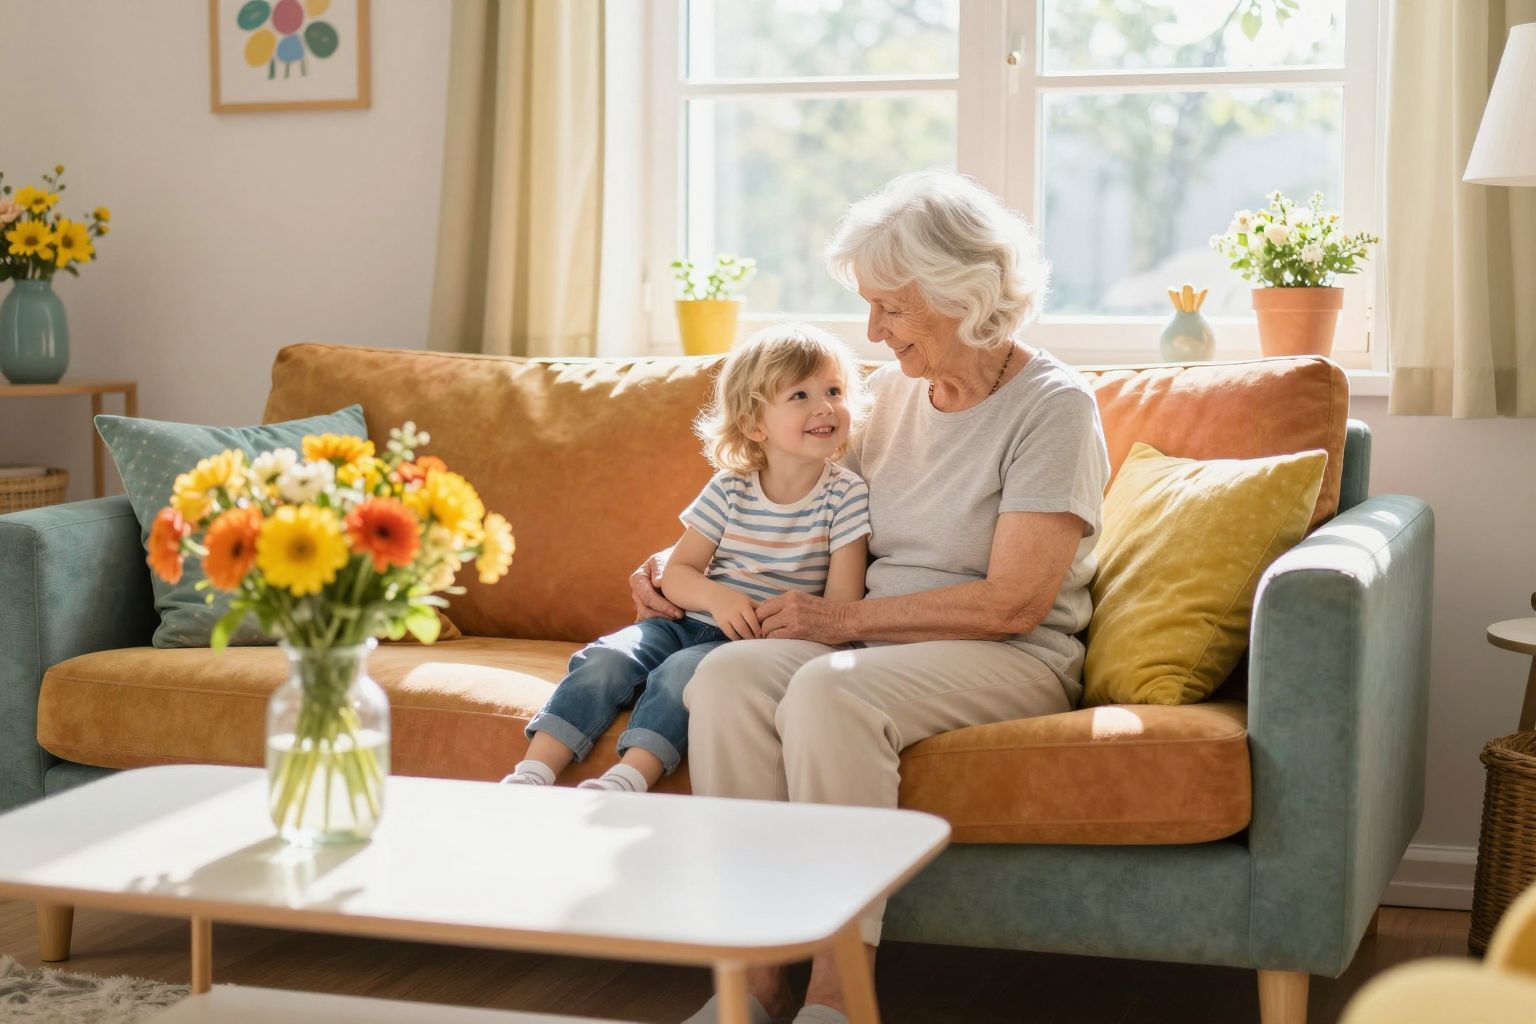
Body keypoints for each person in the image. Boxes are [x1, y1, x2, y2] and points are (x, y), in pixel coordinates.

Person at [636, 172, 1112, 1024]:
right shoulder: (887, 395)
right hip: (874, 643)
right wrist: (678, 566)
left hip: (1008, 656)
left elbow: (1014, 603)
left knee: (830, 687)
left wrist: (844, 621)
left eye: (891, 308)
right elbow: (793, 511)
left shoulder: (1052, 408)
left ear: (961, 294)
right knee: (729, 677)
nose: (871, 332)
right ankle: (757, 974)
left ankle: (836, 991)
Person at [505, 324, 871, 794]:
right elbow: (677, 572)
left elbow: (841, 604)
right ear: (754, 423)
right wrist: (717, 598)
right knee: (603, 659)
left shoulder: (844, 495)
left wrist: (782, 624)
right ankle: (531, 774)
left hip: (746, 647)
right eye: (799, 395)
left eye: (835, 390)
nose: (824, 406)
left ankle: (628, 779)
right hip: (681, 622)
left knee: (682, 675)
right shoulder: (730, 487)